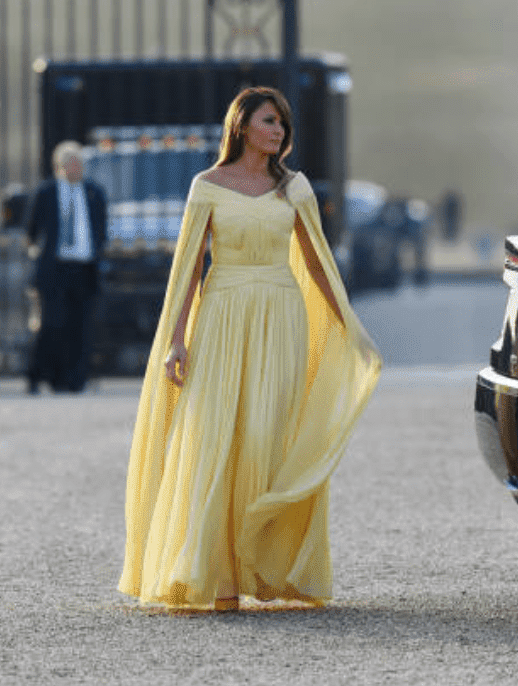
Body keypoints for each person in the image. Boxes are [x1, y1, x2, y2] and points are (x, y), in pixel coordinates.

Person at [118, 86, 381, 611]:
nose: (278, 131)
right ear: (241, 127)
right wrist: (175, 340)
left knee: (265, 435)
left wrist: (348, 326)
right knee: (215, 435)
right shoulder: (206, 186)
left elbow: (318, 263)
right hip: (220, 316)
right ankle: (215, 578)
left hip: (280, 316)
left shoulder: (295, 188)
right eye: (268, 121)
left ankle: (262, 569)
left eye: (282, 123)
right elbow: (189, 266)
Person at [24, 140, 108, 393]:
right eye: (71, 164)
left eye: (79, 164)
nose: (77, 169)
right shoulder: (46, 192)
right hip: (55, 270)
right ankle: (39, 376)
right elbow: (31, 229)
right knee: (51, 323)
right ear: (59, 166)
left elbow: (101, 228)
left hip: (83, 268)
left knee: (80, 326)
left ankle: (74, 380)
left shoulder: (94, 192)